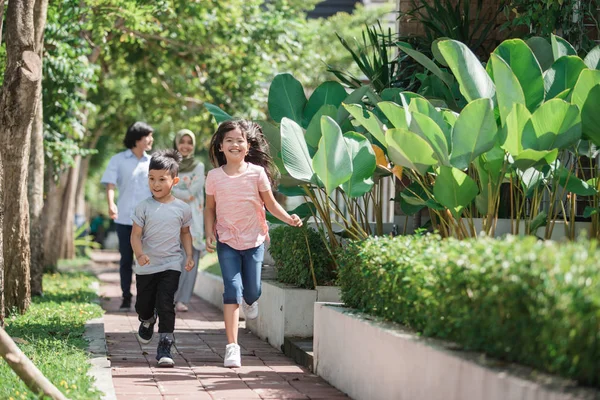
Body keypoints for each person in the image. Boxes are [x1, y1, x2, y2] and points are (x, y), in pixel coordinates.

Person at [204, 120, 303, 368]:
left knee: (252, 290)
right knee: (231, 290)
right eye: (229, 140)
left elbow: (270, 204)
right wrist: (209, 232)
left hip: (254, 240)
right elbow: (210, 208)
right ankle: (232, 347)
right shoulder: (214, 176)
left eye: (240, 140)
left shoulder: (256, 173)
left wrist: (288, 218)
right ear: (220, 147)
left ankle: (251, 299)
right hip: (227, 240)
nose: (235, 144)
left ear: (248, 147)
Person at [130, 149, 194, 368]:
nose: (155, 184)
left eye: (161, 179)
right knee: (143, 305)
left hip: (171, 264)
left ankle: (165, 345)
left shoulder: (182, 209)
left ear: (174, 181)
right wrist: (140, 254)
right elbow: (135, 235)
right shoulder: (143, 207)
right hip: (146, 267)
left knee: (166, 303)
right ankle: (147, 320)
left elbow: (185, 233)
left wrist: (189, 255)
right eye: (151, 179)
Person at [101, 121, 154, 311]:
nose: (151, 140)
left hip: (147, 221)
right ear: (137, 138)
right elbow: (110, 184)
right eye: (148, 136)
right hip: (124, 218)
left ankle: (144, 297)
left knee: (146, 260)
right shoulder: (118, 160)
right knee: (126, 260)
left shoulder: (152, 162)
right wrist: (111, 203)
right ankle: (125, 297)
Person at [172, 129, 205, 312]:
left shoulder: (198, 166)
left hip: (193, 220)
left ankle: (183, 299)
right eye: (182, 141)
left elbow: (192, 193)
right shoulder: (170, 164)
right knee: (173, 259)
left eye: (189, 142)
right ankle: (170, 296)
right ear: (176, 143)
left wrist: (172, 190)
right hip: (172, 218)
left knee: (190, 260)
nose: (185, 145)